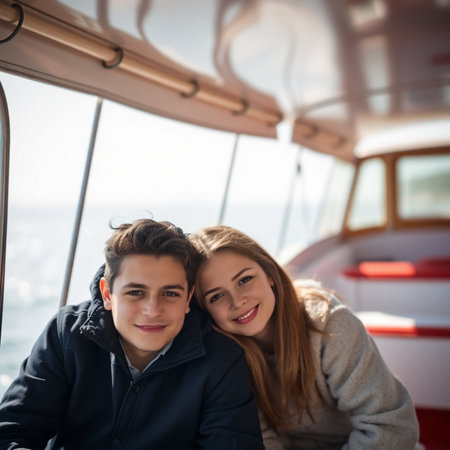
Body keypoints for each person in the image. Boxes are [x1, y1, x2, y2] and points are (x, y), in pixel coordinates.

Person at [0, 219, 264, 450]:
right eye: (135, 292)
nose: (152, 310)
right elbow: (11, 432)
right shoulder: (67, 334)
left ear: (188, 299)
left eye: (170, 293)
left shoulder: (222, 361)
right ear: (107, 294)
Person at [190, 225, 420, 450]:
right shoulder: (225, 355)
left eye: (244, 280)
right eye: (216, 296)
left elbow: (391, 426)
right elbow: (261, 439)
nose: (237, 300)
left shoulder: (328, 322)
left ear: (269, 274)